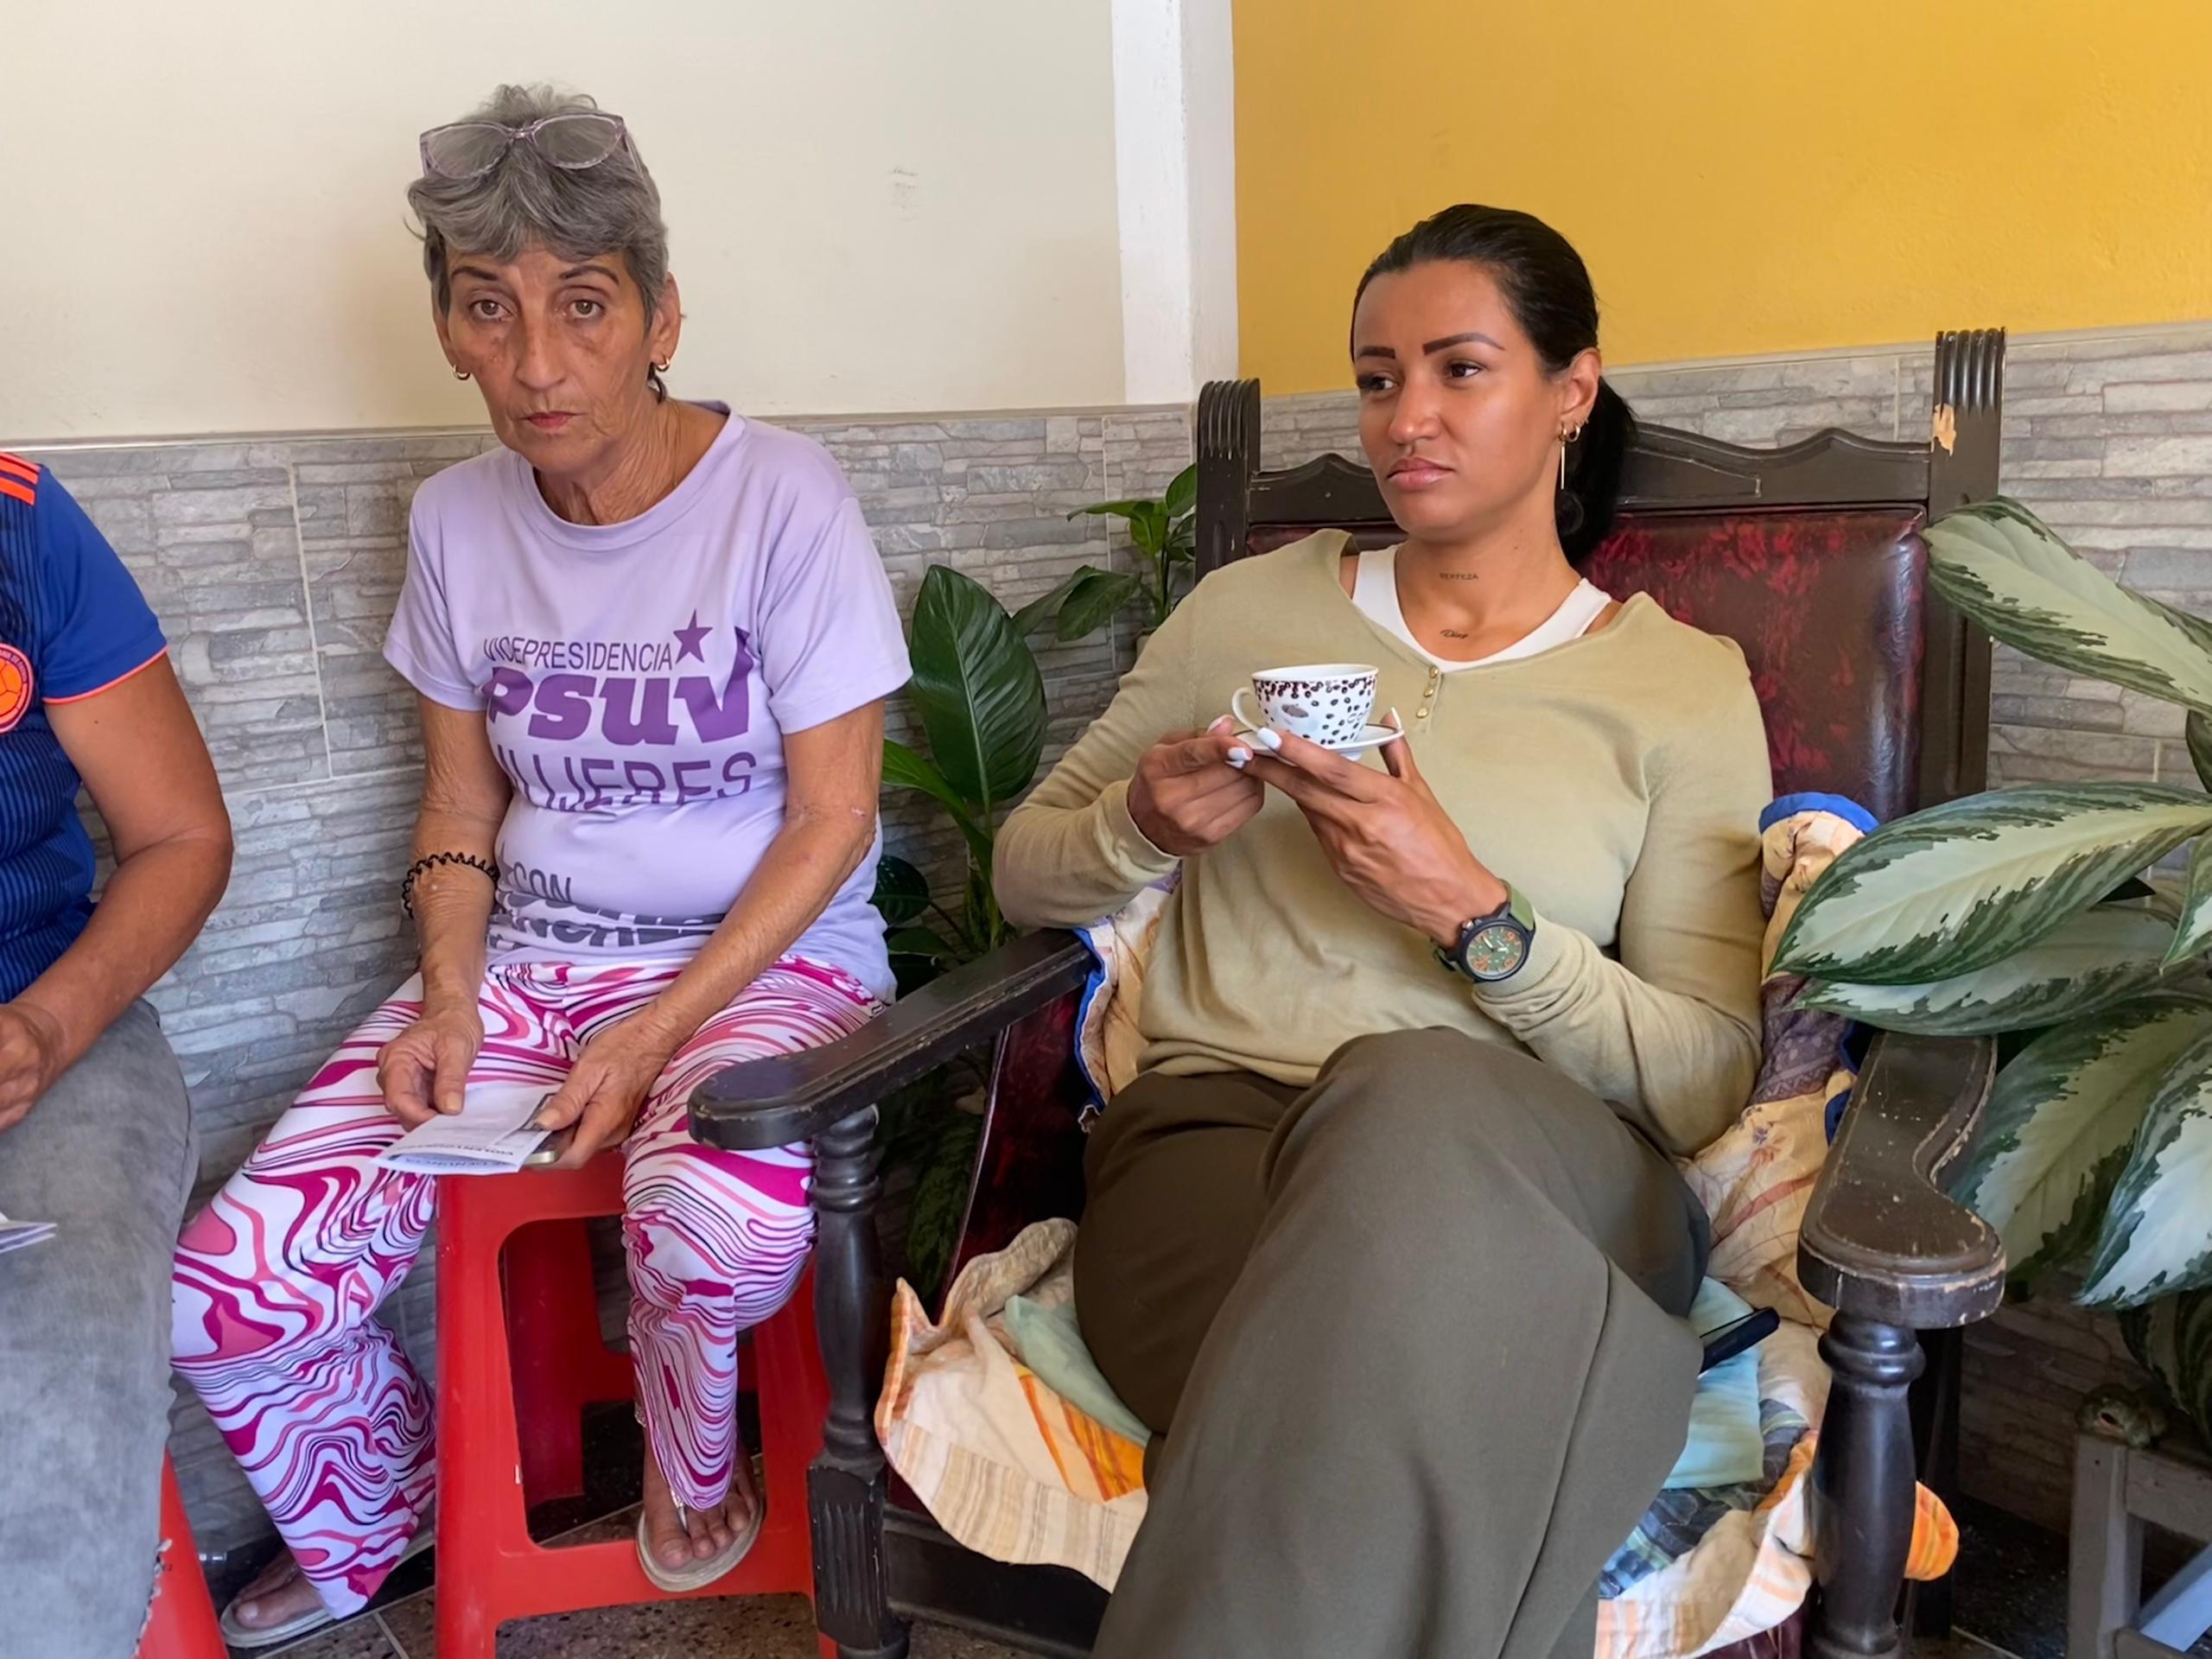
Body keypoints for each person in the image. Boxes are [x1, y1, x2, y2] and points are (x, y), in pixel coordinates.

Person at [170, 86, 912, 1646]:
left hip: (770, 962)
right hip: (535, 966)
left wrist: (656, 1032)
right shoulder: (456, 521)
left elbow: (835, 817)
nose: (537, 363)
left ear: (661, 316)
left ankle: (692, 1470)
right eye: (487, 307)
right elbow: (459, 807)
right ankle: (398, 1516)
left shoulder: (782, 497)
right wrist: (449, 996)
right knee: (226, 1288)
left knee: (712, 1223)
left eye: (583, 304)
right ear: (448, 329)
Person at [994, 204, 1774, 1659]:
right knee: (1395, 1398)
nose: (1405, 418)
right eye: (1374, 377)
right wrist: (1142, 827)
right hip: (1217, 1153)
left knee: (1407, 1091)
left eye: (1460, 369)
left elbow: (1705, 1075)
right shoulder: (1244, 615)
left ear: (1573, 391)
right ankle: (1601, 1380)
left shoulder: (1680, 687)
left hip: (1546, 1169)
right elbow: (1023, 874)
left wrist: (1478, 920)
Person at [0, 457, 234, 1657]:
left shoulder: (18, 525)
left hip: (49, 1022)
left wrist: (46, 1029)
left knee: (53, 1379)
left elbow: (182, 833)